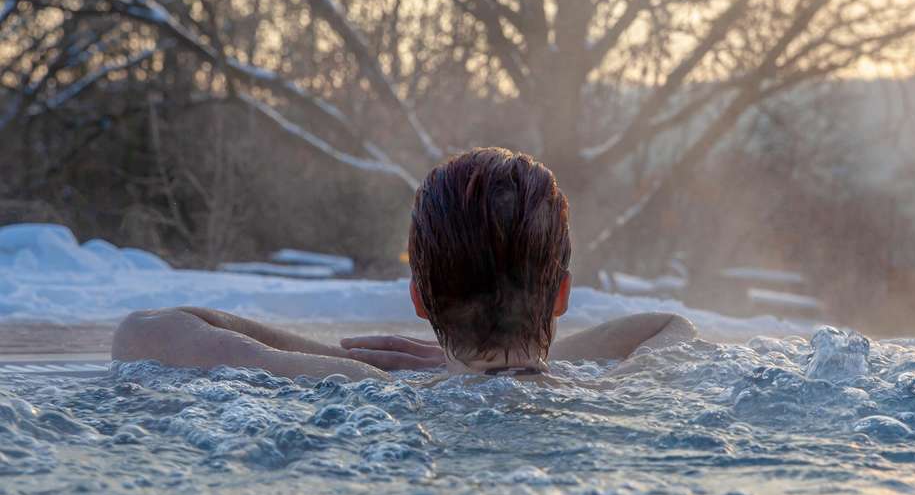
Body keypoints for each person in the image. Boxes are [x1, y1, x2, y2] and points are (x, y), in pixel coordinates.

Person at [111, 148, 697, 383]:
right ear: (563, 294)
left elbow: (140, 332)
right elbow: (671, 326)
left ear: (419, 298)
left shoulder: (377, 396)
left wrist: (340, 366)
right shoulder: (610, 395)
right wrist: (528, 363)